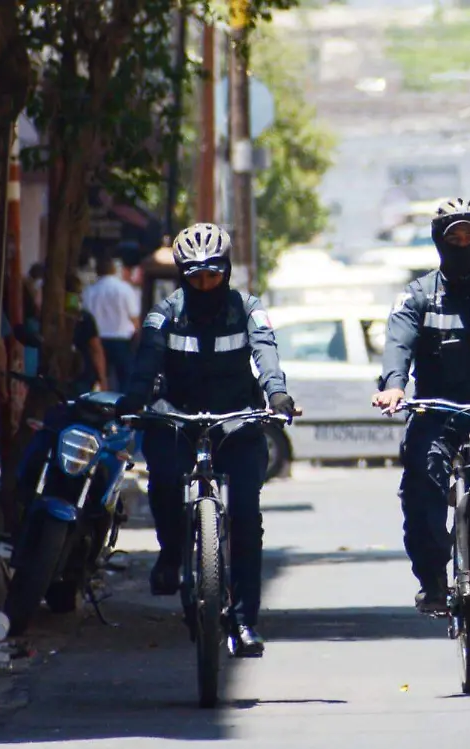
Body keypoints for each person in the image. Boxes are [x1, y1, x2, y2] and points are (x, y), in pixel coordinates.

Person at [116, 223, 299, 657]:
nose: (205, 284)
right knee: (160, 477)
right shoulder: (165, 312)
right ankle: (171, 552)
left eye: (213, 275)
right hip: (177, 417)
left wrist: (277, 393)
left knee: (246, 517)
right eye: (195, 276)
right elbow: (147, 360)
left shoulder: (249, 309)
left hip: (236, 420)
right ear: (182, 276)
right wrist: (134, 399)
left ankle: (244, 620)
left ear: (228, 271)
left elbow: (266, 353)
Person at [372, 198, 470, 635]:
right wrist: (393, 385)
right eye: (453, 238)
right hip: (437, 411)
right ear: (439, 242)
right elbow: (398, 343)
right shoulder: (418, 294)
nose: (462, 245)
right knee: (420, 480)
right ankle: (433, 579)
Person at [83, 253, 141, 392]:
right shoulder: (125, 289)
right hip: (122, 340)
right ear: (114, 270)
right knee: (125, 379)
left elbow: (85, 316)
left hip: (97, 340)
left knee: (98, 377)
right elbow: (134, 317)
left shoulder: (90, 291)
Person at [66, 272, 108, 394]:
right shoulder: (84, 318)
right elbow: (96, 349)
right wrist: (102, 378)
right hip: (82, 375)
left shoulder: (51, 317)